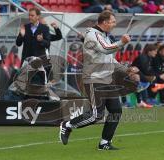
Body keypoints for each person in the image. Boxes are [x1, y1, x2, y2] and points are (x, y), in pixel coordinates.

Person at [59, 10, 140, 150]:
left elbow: (110, 59)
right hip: (94, 79)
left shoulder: (104, 36)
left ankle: (104, 143)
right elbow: (106, 49)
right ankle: (67, 125)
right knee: (97, 115)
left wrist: (126, 70)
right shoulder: (92, 35)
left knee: (115, 111)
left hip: (107, 79)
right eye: (113, 22)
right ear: (104, 22)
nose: (115, 24)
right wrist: (122, 42)